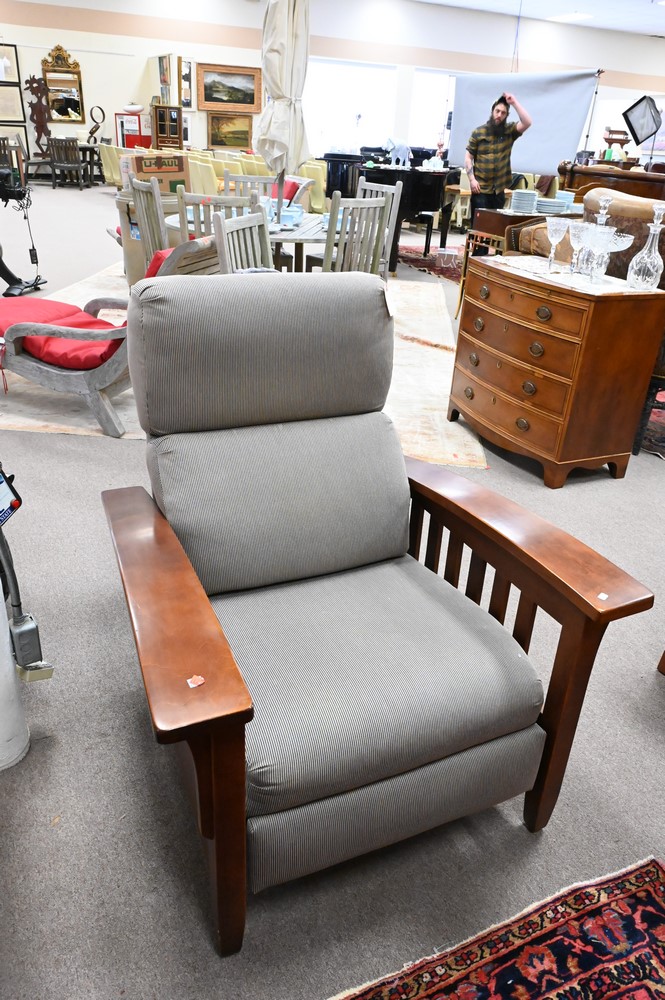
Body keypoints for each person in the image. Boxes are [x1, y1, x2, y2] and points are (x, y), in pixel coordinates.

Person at [464, 92, 532, 226]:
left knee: (494, 228)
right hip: (480, 189)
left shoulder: (509, 132)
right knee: (478, 228)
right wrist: (472, 180)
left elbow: (527, 122)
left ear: (506, 115)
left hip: (498, 191)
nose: (499, 115)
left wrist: (514, 102)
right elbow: (468, 157)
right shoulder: (478, 132)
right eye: (497, 111)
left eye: (503, 113)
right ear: (492, 111)